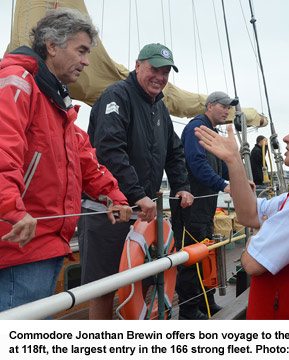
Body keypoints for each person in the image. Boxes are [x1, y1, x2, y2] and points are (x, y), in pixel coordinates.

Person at [0, 8, 132, 312]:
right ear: (52, 45)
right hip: (20, 240)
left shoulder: (54, 97)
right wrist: (12, 210)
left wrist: (111, 193)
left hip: (43, 240)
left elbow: (81, 155)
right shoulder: (18, 83)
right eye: (81, 50)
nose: (86, 61)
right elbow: (3, 150)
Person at [195, 109, 289, 319]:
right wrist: (233, 161)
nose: (286, 138)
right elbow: (250, 214)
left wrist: (257, 238)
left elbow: (252, 264)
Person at [78, 43, 193, 319]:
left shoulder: (160, 109)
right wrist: (136, 193)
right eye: (154, 69)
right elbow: (109, 151)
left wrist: (182, 186)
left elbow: (175, 152)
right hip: (106, 212)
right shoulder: (116, 97)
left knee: (141, 281)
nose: (160, 77)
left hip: (142, 212)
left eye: (166, 72)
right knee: (103, 287)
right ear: (138, 65)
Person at [175, 91, 235, 320]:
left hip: (206, 206)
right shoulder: (195, 129)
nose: (227, 111)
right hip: (192, 205)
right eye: (223, 106)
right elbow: (196, 163)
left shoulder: (213, 133)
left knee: (206, 253)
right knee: (191, 258)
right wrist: (223, 185)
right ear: (209, 106)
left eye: (229, 108)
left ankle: (207, 304)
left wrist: (236, 179)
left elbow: (222, 164)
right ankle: (189, 312)